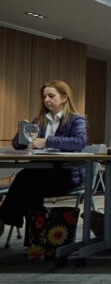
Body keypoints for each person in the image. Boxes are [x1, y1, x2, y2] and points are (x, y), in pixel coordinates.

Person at [0, 81, 87, 236]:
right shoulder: (39, 120)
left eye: (51, 96)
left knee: (25, 179)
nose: (46, 100)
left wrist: (47, 141)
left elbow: (79, 142)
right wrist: (23, 133)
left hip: (66, 174)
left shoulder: (76, 120)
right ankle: (36, 239)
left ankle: (5, 219)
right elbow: (17, 146)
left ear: (64, 98)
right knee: (29, 185)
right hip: (41, 174)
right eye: (44, 96)